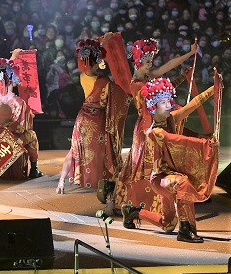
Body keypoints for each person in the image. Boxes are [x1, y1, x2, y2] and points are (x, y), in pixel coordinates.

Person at [121, 77, 220, 243]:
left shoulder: (171, 118)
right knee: (183, 183)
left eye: (169, 101)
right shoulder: (154, 133)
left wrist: (214, 89)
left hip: (170, 176)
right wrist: (207, 143)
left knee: (167, 224)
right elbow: (180, 141)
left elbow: (193, 105)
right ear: (153, 107)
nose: (169, 105)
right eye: (163, 103)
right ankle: (186, 229)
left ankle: (133, 212)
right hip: (160, 179)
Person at [115, 38, 198, 213]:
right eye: (147, 62)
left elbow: (166, 69)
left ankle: (160, 205)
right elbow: (153, 106)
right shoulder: (137, 85)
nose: (150, 66)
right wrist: (174, 111)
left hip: (154, 124)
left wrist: (189, 56)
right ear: (137, 62)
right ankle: (144, 205)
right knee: (149, 168)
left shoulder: (147, 76)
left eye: (151, 62)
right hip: (148, 129)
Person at [56, 36, 129, 212]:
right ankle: (111, 195)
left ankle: (61, 182)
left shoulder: (82, 76)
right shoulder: (103, 82)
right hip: (97, 121)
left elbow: (90, 60)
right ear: (97, 61)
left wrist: (102, 44)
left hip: (83, 119)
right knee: (106, 153)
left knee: (75, 150)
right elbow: (120, 95)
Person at [0, 49, 42, 180]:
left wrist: (14, 56)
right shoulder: (17, 102)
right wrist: (29, 114)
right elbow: (21, 127)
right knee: (32, 136)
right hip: (11, 137)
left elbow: (5, 69)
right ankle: (34, 168)